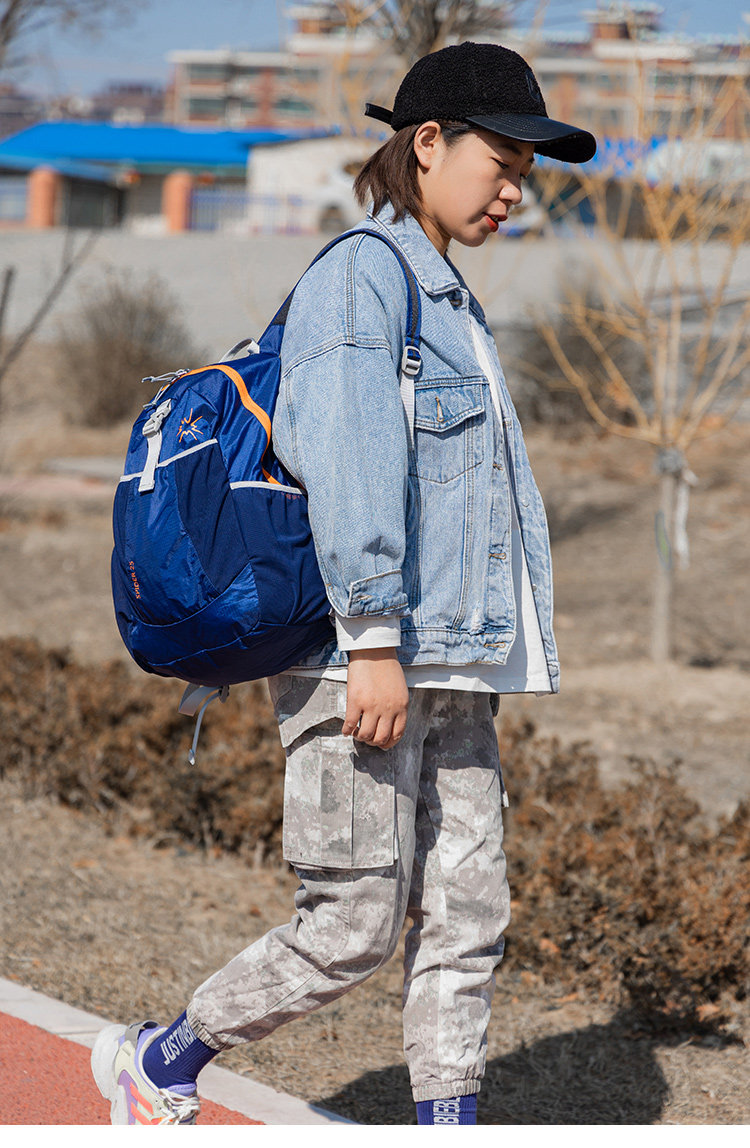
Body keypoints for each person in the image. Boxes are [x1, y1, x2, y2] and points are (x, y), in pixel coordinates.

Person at [91, 41, 595, 1126]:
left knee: (467, 914)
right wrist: (372, 640)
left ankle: (447, 1124)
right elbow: (354, 461)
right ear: (428, 143)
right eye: (503, 163)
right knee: (354, 921)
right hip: (358, 658)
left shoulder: (449, 297)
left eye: (527, 172)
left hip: (452, 656)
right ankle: (161, 1058)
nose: (516, 190)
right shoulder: (364, 277)